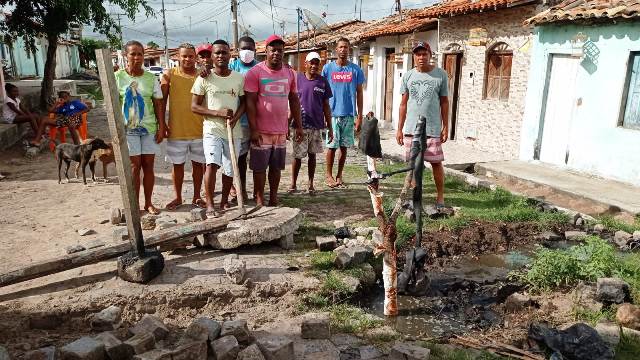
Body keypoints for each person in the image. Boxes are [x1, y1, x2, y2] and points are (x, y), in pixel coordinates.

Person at [244, 34, 303, 206]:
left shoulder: (290, 74)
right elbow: (250, 102)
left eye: (280, 50)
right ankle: (260, 197)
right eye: (273, 50)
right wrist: (253, 128)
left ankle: (274, 197)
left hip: (280, 130)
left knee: (276, 167)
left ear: (284, 52)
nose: (276, 53)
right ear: (266, 51)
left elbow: (294, 100)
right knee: (259, 167)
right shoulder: (255, 73)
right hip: (261, 130)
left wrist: (298, 126)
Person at [191, 39, 245, 216]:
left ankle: (224, 202)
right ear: (212, 56)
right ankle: (210, 205)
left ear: (230, 55)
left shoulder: (238, 78)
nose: (221, 55)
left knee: (230, 168)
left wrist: (235, 118)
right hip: (212, 129)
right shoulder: (204, 77)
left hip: (233, 131)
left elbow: (244, 103)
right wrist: (217, 113)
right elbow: (194, 107)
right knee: (212, 165)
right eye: (217, 53)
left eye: (224, 52)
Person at [115, 40, 166, 215]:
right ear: (125, 55)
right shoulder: (118, 77)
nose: (136, 57)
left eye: (140, 54)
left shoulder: (151, 78)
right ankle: (134, 204)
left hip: (148, 128)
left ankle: (148, 203)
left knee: (148, 165)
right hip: (128, 129)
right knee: (134, 166)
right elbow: (113, 104)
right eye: (133, 54)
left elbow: (159, 103)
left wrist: (161, 127)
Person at [396, 41, 449, 208]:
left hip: (432, 128)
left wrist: (445, 126)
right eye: (418, 54)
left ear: (430, 55)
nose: (421, 57)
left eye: (424, 53)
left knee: (436, 163)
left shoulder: (440, 75)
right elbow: (403, 104)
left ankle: (440, 197)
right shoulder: (408, 76)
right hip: (411, 128)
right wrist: (399, 129)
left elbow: (445, 102)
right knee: (413, 166)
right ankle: (416, 197)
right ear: (414, 56)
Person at [161, 43, 206, 210]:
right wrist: (162, 124)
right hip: (176, 130)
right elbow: (162, 102)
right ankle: (178, 197)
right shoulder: (170, 75)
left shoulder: (202, 76)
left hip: (199, 129)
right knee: (177, 165)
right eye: (184, 56)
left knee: (198, 166)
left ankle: (196, 196)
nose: (187, 59)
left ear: (195, 57)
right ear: (178, 57)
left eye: (190, 56)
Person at [321, 37, 365, 188]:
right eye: (340, 47)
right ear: (336, 49)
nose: (343, 50)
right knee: (332, 146)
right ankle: (328, 175)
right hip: (332, 114)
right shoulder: (327, 69)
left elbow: (359, 93)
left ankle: (339, 174)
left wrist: (359, 116)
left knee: (344, 147)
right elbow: (322, 92)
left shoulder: (355, 69)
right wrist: (323, 113)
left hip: (348, 114)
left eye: (346, 47)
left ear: (349, 49)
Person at [289, 52, 333, 195]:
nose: (314, 66)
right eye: (311, 63)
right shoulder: (297, 80)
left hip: (316, 125)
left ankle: (311, 184)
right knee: (297, 156)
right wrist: (287, 124)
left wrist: (330, 127)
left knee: (312, 156)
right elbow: (292, 103)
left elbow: (326, 106)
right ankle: (293, 184)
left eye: (317, 63)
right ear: (305, 64)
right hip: (299, 125)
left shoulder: (323, 82)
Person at [228, 36, 259, 202]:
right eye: (243, 48)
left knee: (255, 159)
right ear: (237, 50)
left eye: (250, 48)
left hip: (254, 120)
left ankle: (257, 191)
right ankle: (241, 190)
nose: (247, 51)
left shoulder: (260, 67)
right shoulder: (232, 66)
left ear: (255, 50)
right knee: (238, 159)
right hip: (236, 121)